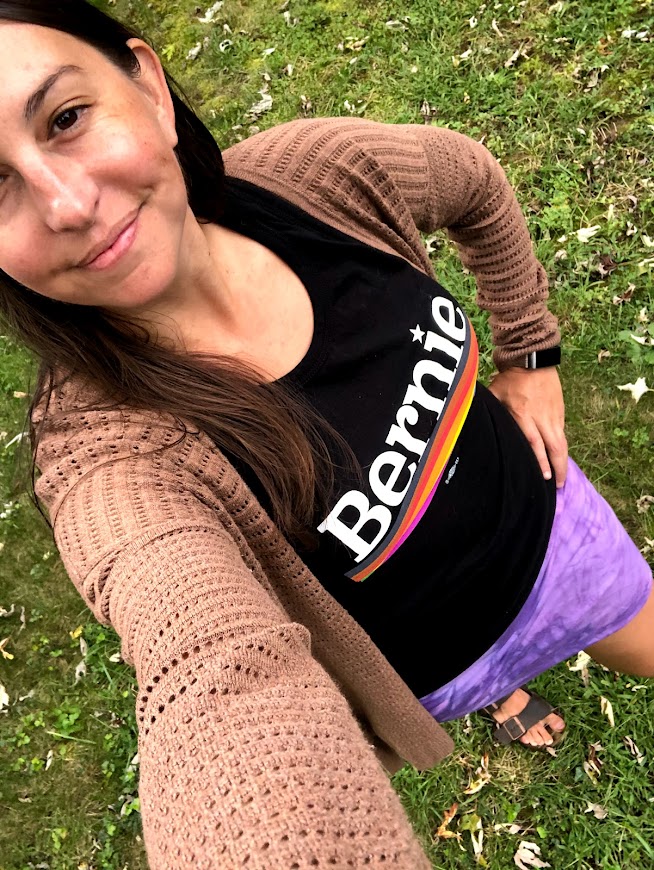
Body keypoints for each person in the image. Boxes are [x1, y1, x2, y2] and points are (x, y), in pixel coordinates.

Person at [0, 0, 652, 866]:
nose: (69, 203)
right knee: (478, 662)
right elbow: (203, 665)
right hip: (437, 671)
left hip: (558, 536)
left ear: (148, 85)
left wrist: (530, 354)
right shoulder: (109, 463)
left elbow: (474, 184)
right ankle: (503, 692)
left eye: (66, 118)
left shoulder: (319, 177)